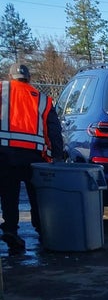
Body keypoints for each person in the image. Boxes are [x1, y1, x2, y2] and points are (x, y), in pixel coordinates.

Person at [0, 63, 63, 255]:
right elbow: (54, 131)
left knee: (8, 195)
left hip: (3, 154)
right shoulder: (42, 99)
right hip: (33, 156)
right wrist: (57, 157)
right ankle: (43, 230)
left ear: (10, 77)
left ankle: (11, 229)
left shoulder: (1, 90)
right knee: (36, 196)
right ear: (29, 78)